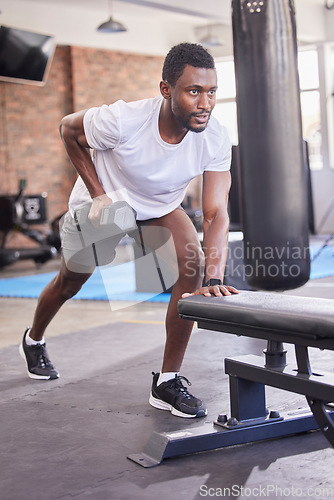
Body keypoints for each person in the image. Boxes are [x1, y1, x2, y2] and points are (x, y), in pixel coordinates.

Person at [19, 42, 238, 418]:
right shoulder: (123, 120)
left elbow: (216, 213)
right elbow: (68, 129)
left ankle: (168, 381)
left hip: (158, 206)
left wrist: (213, 277)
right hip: (106, 203)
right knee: (72, 282)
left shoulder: (215, 137)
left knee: (192, 267)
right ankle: (33, 338)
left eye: (211, 91)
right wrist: (100, 195)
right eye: (193, 91)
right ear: (166, 90)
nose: (205, 102)